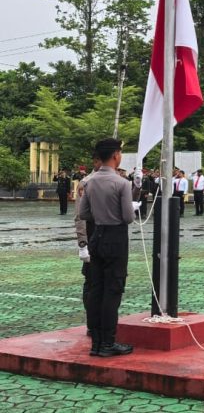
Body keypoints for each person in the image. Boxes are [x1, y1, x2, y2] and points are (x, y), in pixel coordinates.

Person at [78, 138, 135, 357]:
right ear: (114, 156)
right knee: (113, 290)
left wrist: (100, 215)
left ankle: (96, 343)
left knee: (95, 290)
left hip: (97, 236)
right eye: (119, 152)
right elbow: (129, 217)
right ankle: (108, 343)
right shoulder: (122, 183)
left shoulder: (89, 181)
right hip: (115, 237)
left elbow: (83, 214)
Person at [74, 156, 101, 336]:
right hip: (92, 239)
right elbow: (80, 216)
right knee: (91, 282)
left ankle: (103, 322)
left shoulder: (110, 180)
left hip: (107, 239)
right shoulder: (86, 183)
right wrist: (83, 244)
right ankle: (92, 324)